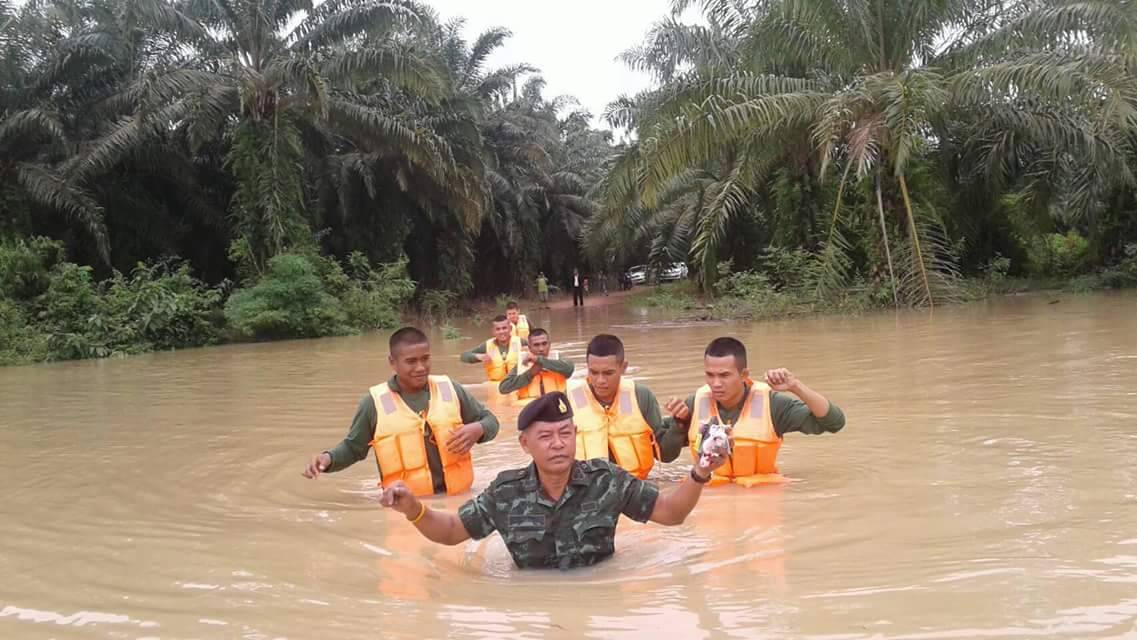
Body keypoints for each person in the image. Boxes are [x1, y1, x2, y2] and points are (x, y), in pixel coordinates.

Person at [376, 392, 729, 570]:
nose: (558, 444)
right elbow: (452, 531)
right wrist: (413, 508)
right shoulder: (505, 491)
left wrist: (700, 472)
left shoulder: (607, 480)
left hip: (597, 599)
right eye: (545, 436)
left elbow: (670, 513)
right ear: (525, 444)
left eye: (565, 433)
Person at [302, 327, 500, 496]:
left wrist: (479, 428)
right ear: (392, 362)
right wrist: (327, 459)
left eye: (425, 358)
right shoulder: (373, 403)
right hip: (405, 508)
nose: (421, 367)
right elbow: (354, 448)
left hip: (458, 500)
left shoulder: (450, 388)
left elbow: (490, 421)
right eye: (411, 361)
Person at [664, 337, 846, 487]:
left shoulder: (773, 405)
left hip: (760, 501)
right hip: (710, 500)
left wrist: (795, 386)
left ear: (744, 375)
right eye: (710, 375)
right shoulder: (694, 403)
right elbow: (664, 454)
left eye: (724, 375)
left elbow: (834, 422)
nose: (716, 383)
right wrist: (679, 424)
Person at [564, 334, 688, 479]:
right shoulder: (568, 398)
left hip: (634, 488)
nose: (600, 380)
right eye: (593, 372)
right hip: (586, 491)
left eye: (608, 373)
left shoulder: (641, 396)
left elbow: (665, 455)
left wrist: (680, 424)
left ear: (623, 367)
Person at [498, 328, 574, 404]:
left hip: (557, 408)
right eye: (536, 345)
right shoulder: (522, 364)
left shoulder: (558, 360)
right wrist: (530, 373)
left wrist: (539, 360)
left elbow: (570, 368)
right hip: (531, 410)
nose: (541, 349)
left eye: (544, 344)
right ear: (529, 347)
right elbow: (503, 388)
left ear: (549, 344)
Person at [460, 315, 527, 383]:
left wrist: (529, 353)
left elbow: (537, 353)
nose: (501, 332)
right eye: (498, 329)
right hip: (494, 387)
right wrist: (479, 356)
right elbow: (463, 356)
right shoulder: (487, 345)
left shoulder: (521, 342)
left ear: (510, 329)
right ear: (493, 331)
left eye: (504, 328)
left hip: (517, 385)